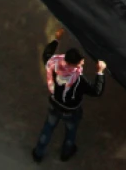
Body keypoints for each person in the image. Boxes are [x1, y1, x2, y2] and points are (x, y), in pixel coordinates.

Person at [32, 28, 107, 163]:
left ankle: (38, 153)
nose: (83, 63)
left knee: (48, 128)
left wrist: (56, 39)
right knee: (70, 132)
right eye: (81, 62)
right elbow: (96, 91)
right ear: (74, 64)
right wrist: (100, 72)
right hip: (71, 111)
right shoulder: (78, 80)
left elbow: (47, 54)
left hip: (55, 104)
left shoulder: (54, 65)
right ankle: (66, 153)